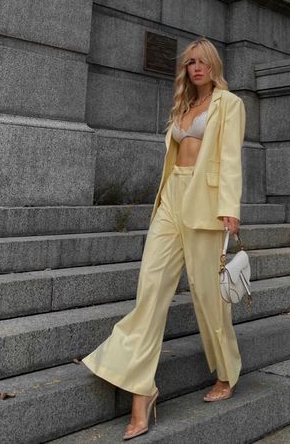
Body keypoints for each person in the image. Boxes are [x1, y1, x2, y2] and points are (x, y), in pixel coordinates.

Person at [82, 37, 246, 440]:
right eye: (189, 62)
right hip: (172, 198)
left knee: (209, 297)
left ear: (213, 65)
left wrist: (230, 208)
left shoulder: (229, 104)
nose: (195, 67)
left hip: (206, 204)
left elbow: (229, 157)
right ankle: (142, 393)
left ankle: (226, 372)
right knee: (151, 288)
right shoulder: (183, 108)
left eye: (202, 61)